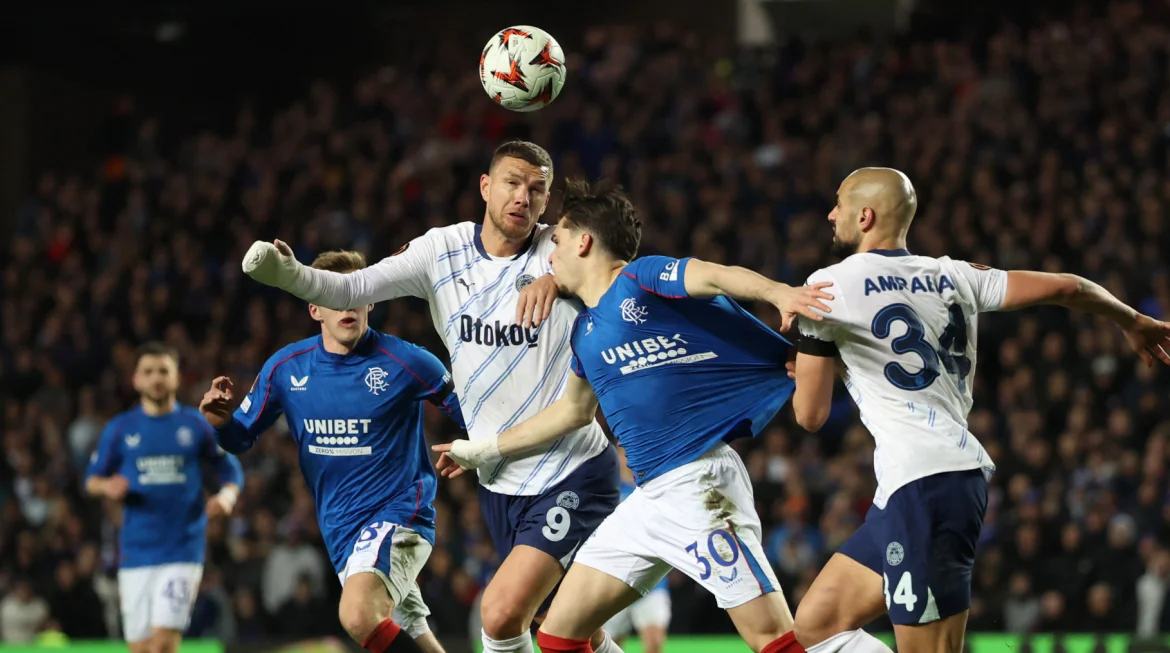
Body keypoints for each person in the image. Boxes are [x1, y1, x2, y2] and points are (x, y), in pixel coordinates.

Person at [240, 141, 623, 653]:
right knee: (563, 628)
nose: (523, 197)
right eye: (512, 182)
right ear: (485, 187)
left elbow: (624, 271)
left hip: (571, 466)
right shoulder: (440, 251)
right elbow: (354, 288)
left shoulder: (565, 247)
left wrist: (558, 278)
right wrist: (288, 276)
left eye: (537, 190)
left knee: (503, 613)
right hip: (503, 481)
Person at [788, 167, 1170, 653]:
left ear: (866, 216)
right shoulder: (953, 274)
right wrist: (1132, 319)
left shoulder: (827, 286)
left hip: (928, 484)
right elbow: (1067, 287)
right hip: (915, 483)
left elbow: (809, 416)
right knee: (815, 627)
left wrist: (813, 362)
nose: (831, 214)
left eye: (839, 204)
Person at [432, 178, 832, 653]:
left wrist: (778, 293)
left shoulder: (641, 278)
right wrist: (483, 449)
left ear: (584, 242)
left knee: (774, 640)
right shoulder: (584, 331)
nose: (550, 254)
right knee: (560, 636)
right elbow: (572, 413)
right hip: (648, 501)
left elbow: (715, 276)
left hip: (700, 486)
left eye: (556, 241)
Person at [199, 251, 462, 653]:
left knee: (357, 615)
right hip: (341, 532)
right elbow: (240, 439)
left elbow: (475, 412)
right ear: (314, 308)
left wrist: (476, 447)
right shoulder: (285, 369)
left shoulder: (406, 360)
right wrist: (220, 423)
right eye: (333, 295)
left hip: (400, 515)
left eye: (354, 292)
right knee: (409, 631)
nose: (346, 305)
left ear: (371, 298)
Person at [84, 342, 244, 653]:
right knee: (141, 648)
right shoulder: (120, 429)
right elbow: (91, 480)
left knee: (162, 647)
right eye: (148, 372)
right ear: (136, 380)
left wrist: (227, 496)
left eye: (163, 371)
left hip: (182, 548)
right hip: (135, 552)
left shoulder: (196, 424)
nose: (156, 378)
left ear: (176, 378)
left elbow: (231, 469)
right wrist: (107, 487)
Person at [601, 448, 671, 653]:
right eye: (622, 451)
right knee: (612, 643)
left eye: (631, 450)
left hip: (652, 578)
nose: (628, 456)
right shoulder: (607, 490)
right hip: (614, 578)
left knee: (654, 642)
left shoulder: (654, 488)